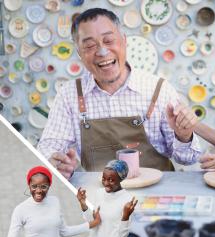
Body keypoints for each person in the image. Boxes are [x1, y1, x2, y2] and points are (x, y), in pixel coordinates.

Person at [37, 8, 201, 179]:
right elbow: (49, 147)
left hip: (155, 196)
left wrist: (183, 136)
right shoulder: (69, 95)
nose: (102, 51)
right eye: (90, 46)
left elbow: (188, 159)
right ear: (79, 52)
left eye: (108, 40)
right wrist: (57, 163)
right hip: (99, 196)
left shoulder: (158, 89)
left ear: (123, 40)